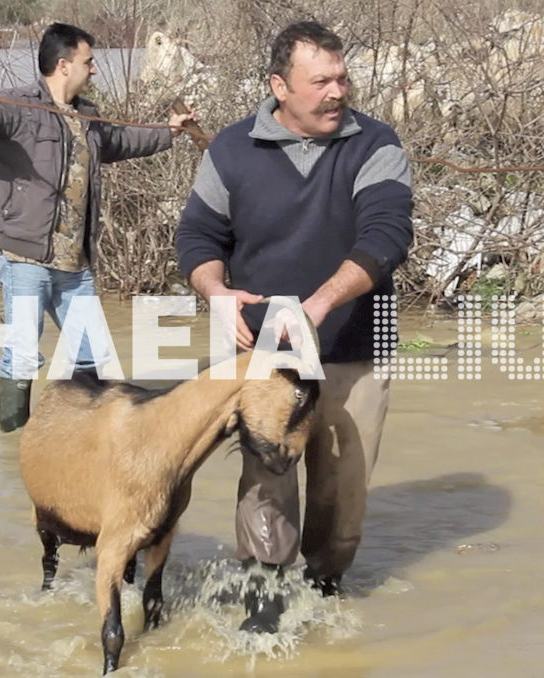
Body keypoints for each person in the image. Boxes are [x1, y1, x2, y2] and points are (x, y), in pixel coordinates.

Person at [175, 21, 413, 633]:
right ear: (279, 86)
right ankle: (265, 606)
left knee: (342, 496)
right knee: (266, 478)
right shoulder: (229, 150)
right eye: (321, 81)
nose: (338, 92)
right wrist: (217, 291)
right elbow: (198, 237)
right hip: (263, 355)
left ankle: (326, 595)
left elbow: (386, 236)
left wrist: (319, 303)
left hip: (353, 347)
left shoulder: (376, 144)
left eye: (342, 78)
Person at [0, 22, 196, 432]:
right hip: (25, 255)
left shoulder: (87, 115)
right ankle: (14, 446)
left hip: (74, 262)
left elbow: (120, 142)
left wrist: (169, 132)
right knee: (23, 354)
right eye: (89, 61)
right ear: (64, 66)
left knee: (92, 356)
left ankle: (89, 440)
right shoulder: (15, 105)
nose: (94, 69)